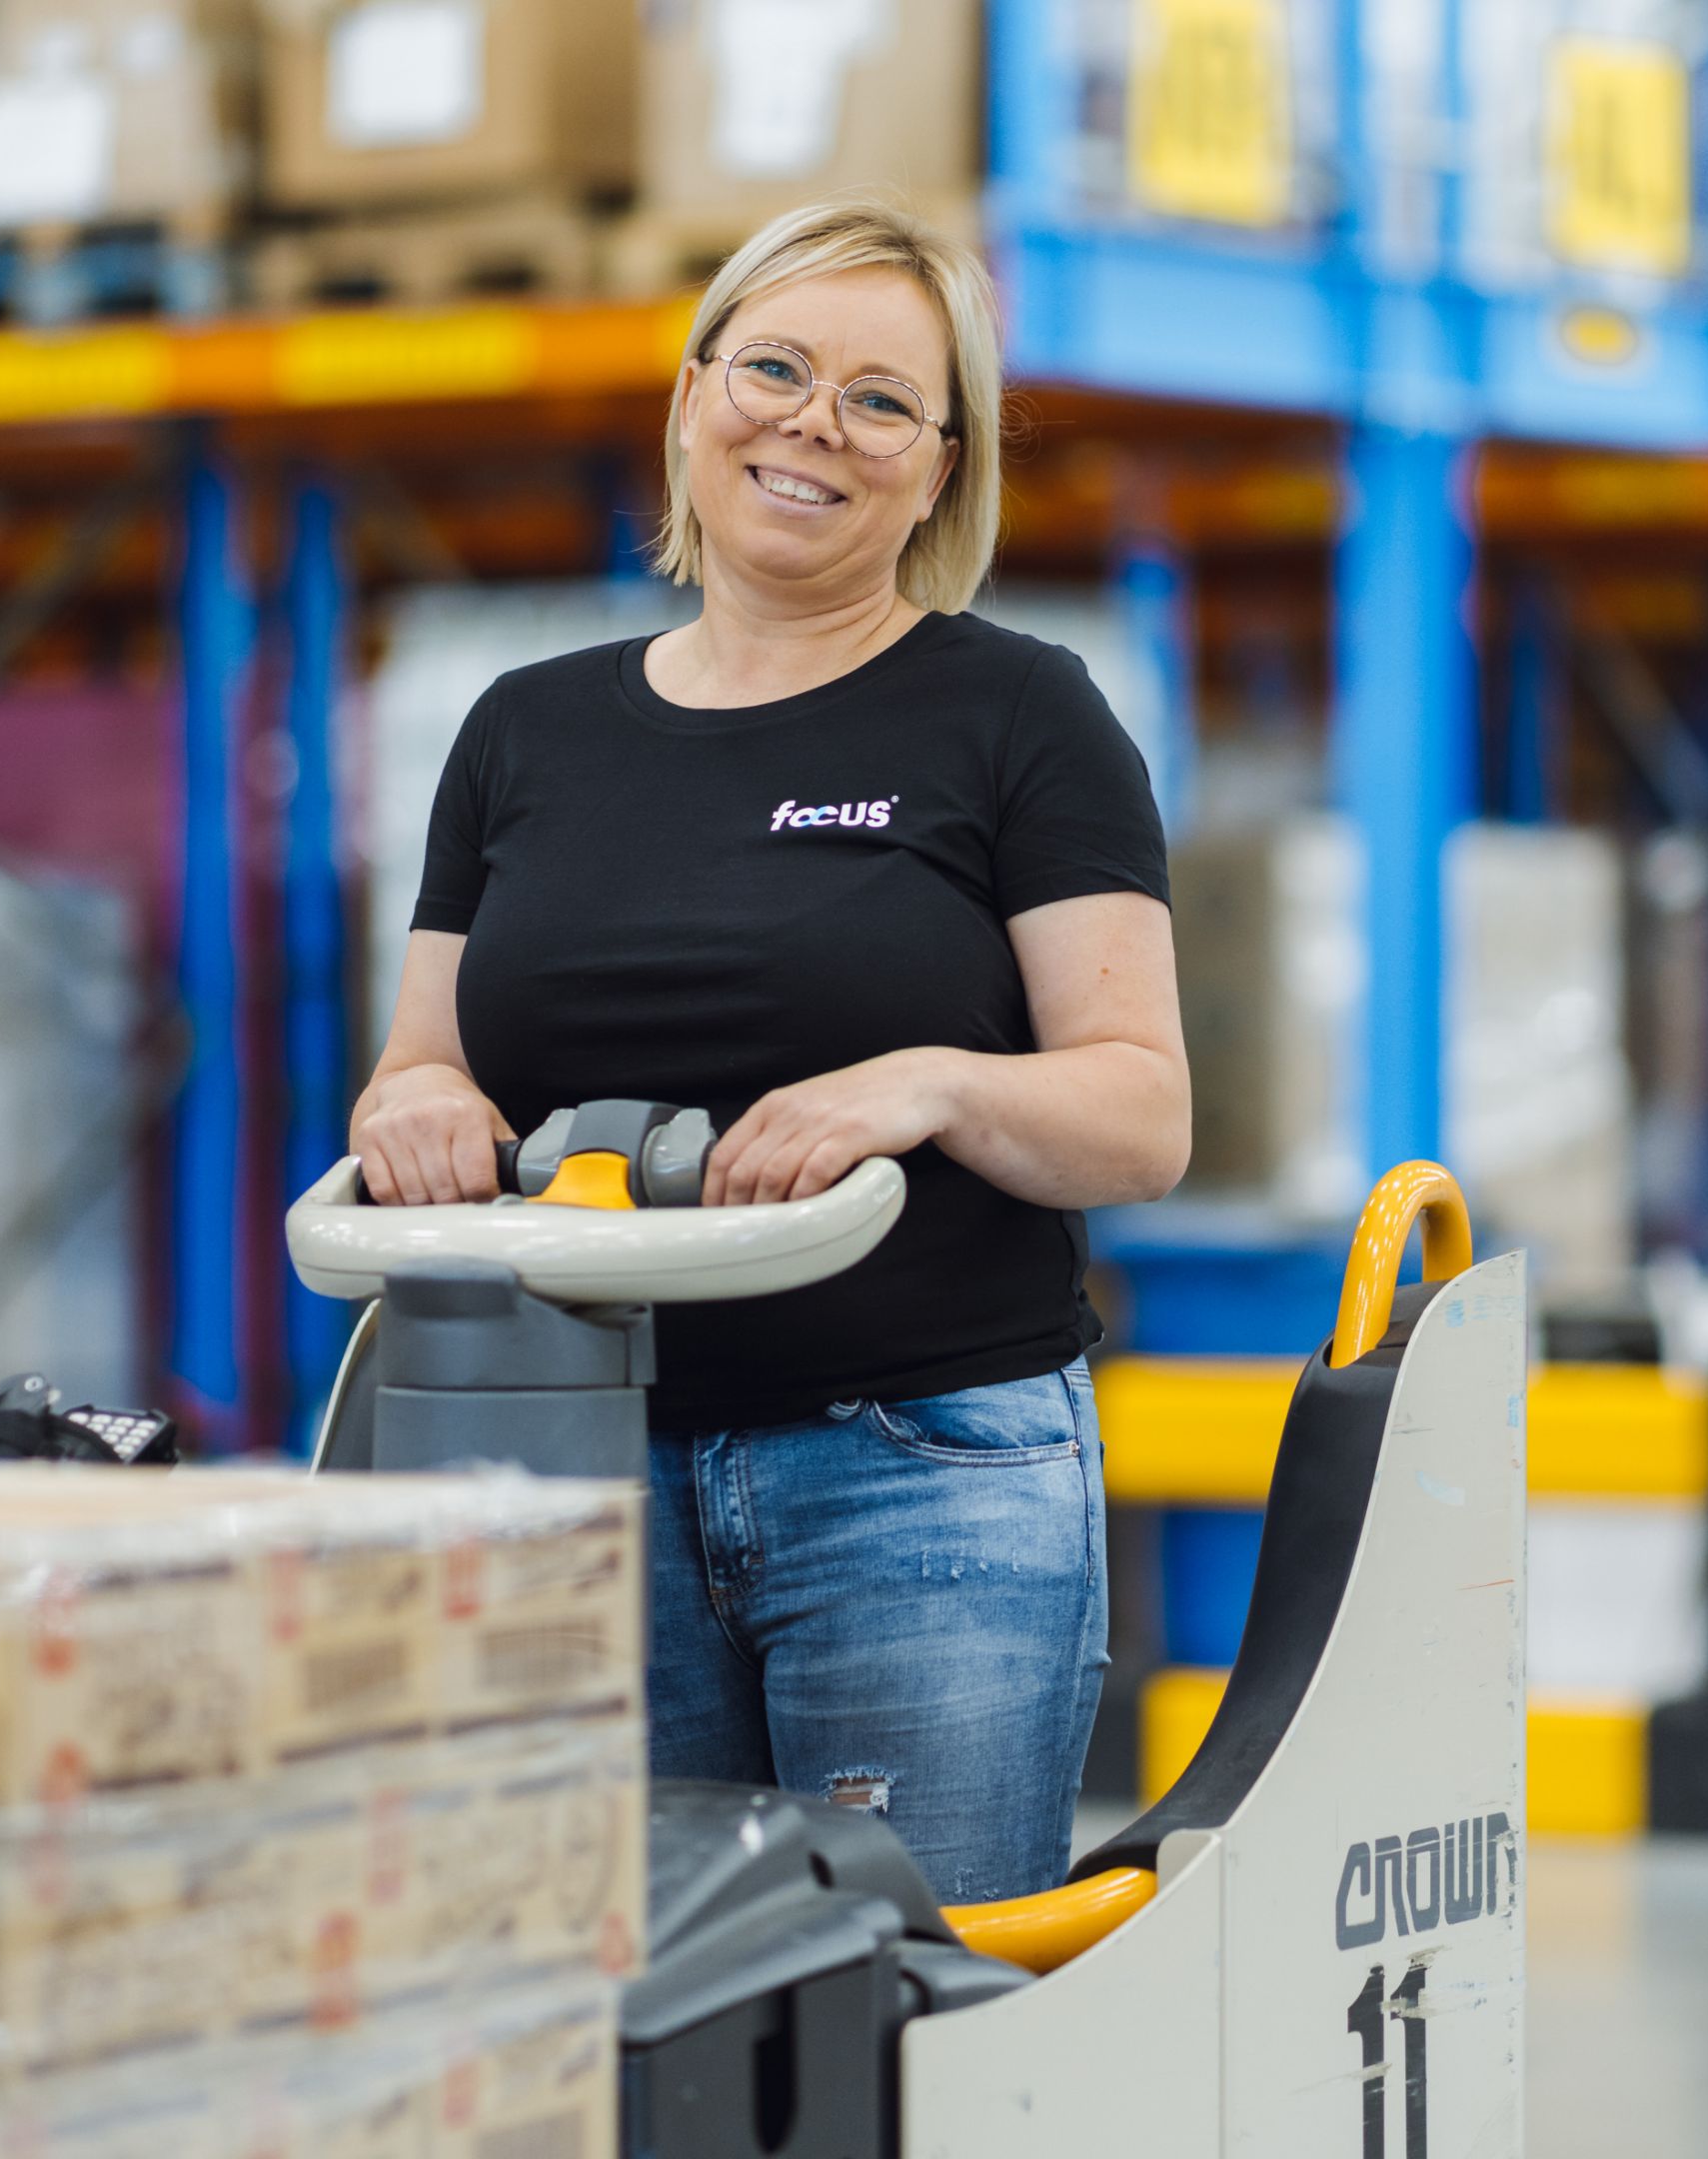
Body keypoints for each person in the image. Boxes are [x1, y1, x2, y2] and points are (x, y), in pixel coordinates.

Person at [349, 198, 1189, 1903]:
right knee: (635, 2003)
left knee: (911, 1998)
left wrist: (932, 1084)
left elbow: (1141, 1115)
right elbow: (420, 1071)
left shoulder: (1019, 714)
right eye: (776, 370)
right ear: (692, 399)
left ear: (940, 472)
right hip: (580, 1457)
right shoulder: (523, 732)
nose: (816, 424)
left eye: (883, 401)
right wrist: (419, 1102)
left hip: (921, 1478)